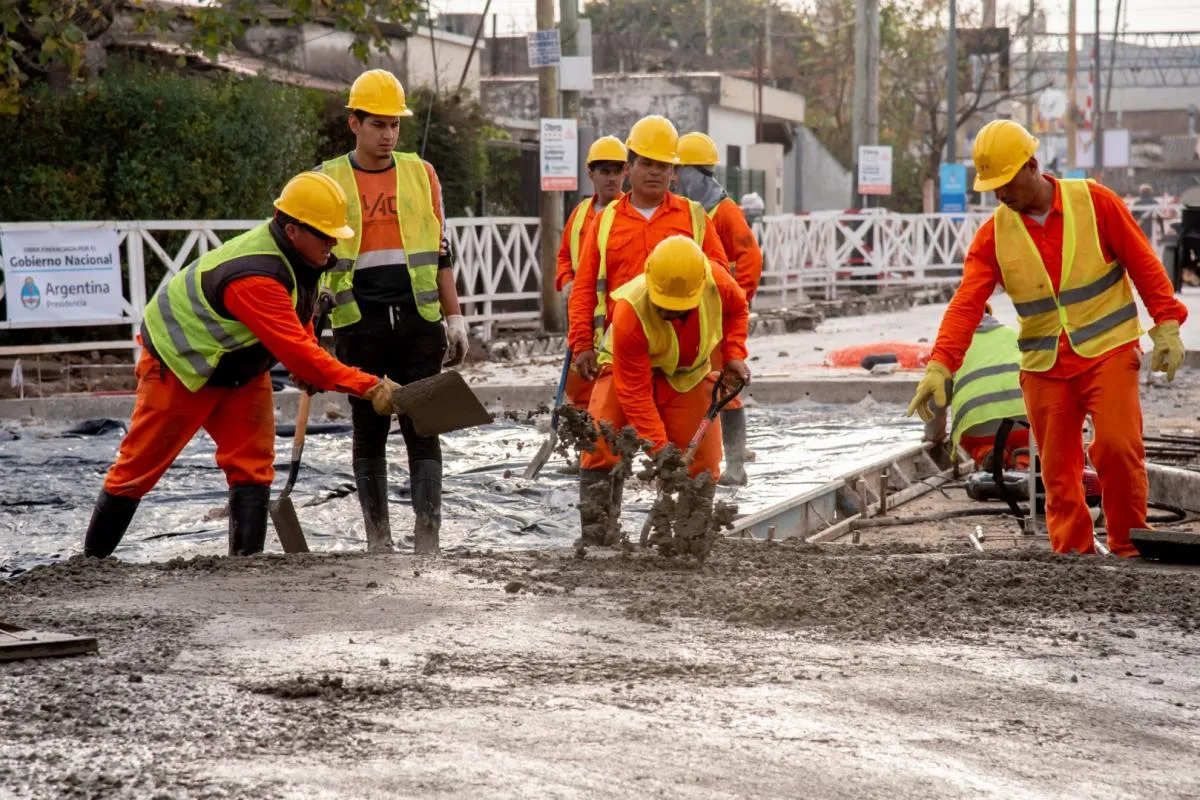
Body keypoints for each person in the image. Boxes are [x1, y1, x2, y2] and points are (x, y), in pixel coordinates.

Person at [907, 119, 1187, 557]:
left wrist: (1166, 323)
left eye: (1005, 181)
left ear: (1033, 165)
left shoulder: (1096, 203)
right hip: (1044, 366)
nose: (1000, 194)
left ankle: (1130, 545)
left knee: (1116, 448)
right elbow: (966, 303)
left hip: (1107, 351)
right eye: (992, 186)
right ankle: (1074, 554)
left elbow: (1144, 264)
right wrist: (941, 364)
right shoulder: (994, 235)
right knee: (1057, 469)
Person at [83, 172, 398, 559]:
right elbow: (299, 352)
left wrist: (308, 356)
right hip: (181, 365)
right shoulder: (255, 276)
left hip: (240, 366)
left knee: (253, 466)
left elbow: (297, 321)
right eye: (324, 234)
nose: (332, 243)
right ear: (291, 228)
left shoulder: (304, 258)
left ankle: (245, 569)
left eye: (335, 234)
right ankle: (91, 565)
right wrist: (368, 386)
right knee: (137, 470)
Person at [318, 68, 467, 555]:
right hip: (359, 326)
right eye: (377, 124)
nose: (388, 134)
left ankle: (428, 539)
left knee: (426, 430)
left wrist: (455, 316)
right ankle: (377, 540)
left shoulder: (421, 173)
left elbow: (440, 250)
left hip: (419, 323)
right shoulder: (328, 180)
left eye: (394, 124)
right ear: (353, 124)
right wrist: (306, 334)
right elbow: (311, 263)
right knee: (369, 432)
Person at [578, 236, 751, 545]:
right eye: (664, 309)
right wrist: (661, 452)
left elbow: (738, 310)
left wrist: (734, 354)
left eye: (680, 310)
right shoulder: (630, 313)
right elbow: (635, 394)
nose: (671, 316)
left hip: (688, 375)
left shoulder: (717, 283)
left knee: (704, 460)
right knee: (601, 438)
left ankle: (688, 541)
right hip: (624, 370)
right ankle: (597, 538)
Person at [567, 115, 729, 391]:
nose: (655, 171)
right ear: (629, 168)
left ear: (673, 171)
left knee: (689, 435)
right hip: (621, 352)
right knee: (606, 432)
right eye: (647, 163)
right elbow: (584, 288)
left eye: (663, 165)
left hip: (682, 360)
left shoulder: (694, 217)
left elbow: (721, 283)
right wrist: (582, 344)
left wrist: (729, 351)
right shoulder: (605, 222)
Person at [675, 131, 764, 485]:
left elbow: (749, 258)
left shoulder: (723, 211)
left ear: (696, 173)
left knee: (726, 384)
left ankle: (735, 466)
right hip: (685, 315)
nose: (674, 178)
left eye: (679, 171)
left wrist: (734, 301)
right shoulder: (682, 209)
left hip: (719, 316)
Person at [556, 135, 627, 409]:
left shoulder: (628, 213)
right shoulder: (579, 215)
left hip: (616, 316)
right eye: (604, 172)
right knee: (580, 383)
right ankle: (583, 438)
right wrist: (566, 282)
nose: (611, 178)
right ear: (591, 174)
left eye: (616, 171)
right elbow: (564, 256)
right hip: (584, 317)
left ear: (625, 173)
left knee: (617, 383)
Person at [923, 304, 1030, 470]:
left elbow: (937, 400)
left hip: (979, 429)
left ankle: (987, 452)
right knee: (1026, 440)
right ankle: (1024, 459)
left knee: (972, 435)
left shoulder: (949, 349)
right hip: (1026, 423)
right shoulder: (1013, 335)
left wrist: (934, 437)